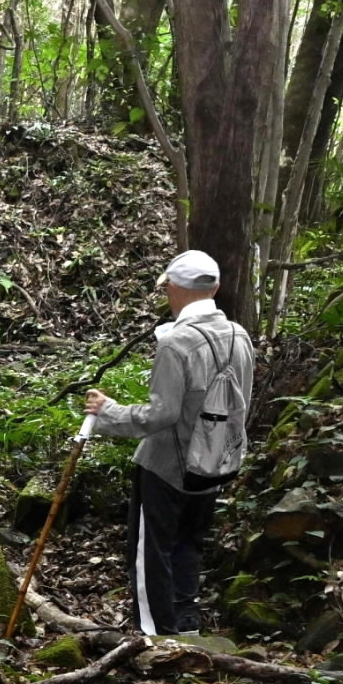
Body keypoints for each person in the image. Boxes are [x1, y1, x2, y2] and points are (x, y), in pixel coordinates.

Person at [84, 249, 255, 637]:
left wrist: (107, 411)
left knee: (150, 552)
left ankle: (157, 634)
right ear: (216, 287)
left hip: (167, 465)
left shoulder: (176, 344)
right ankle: (187, 622)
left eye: (167, 289)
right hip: (216, 463)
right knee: (189, 542)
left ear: (175, 289)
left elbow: (160, 415)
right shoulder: (240, 337)